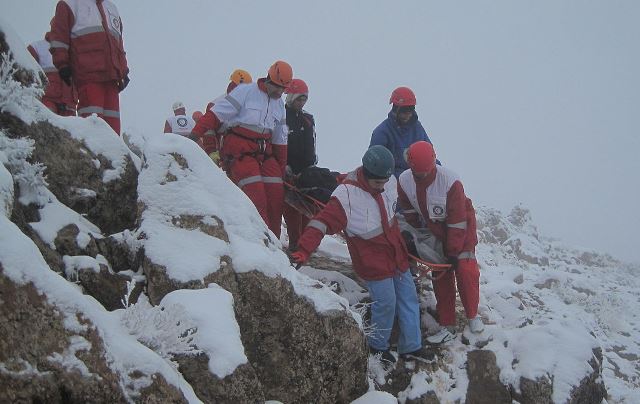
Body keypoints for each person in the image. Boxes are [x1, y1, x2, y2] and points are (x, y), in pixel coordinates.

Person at [291, 145, 427, 363]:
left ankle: (411, 347)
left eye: (385, 181)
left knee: (408, 297)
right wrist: (303, 250)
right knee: (386, 303)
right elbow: (321, 222)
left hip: (396, 254)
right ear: (366, 173)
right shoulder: (346, 196)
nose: (382, 187)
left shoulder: (389, 180)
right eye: (377, 183)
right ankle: (377, 347)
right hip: (372, 260)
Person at [189, 61, 292, 238]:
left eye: (283, 88)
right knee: (257, 198)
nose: (279, 92)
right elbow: (215, 115)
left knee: (276, 197)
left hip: (265, 152)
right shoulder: (245, 92)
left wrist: (280, 170)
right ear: (268, 79)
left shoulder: (279, 104)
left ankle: (274, 243)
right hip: (240, 150)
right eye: (277, 87)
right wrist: (193, 136)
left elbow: (280, 139)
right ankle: (261, 243)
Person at [398, 141, 483, 344]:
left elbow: (457, 219)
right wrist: (417, 232)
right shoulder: (404, 180)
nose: (422, 177)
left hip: (461, 227)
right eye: (418, 173)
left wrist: (453, 251)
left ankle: (473, 316)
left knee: (465, 269)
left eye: (426, 173)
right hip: (435, 229)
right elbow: (408, 209)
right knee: (441, 271)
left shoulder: (450, 182)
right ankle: (448, 323)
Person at [47, 0, 129, 135]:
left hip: (112, 78)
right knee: (92, 123)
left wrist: (123, 70)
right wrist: (62, 64)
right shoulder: (69, 4)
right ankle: (92, 155)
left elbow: (119, 45)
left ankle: (113, 155)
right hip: (87, 74)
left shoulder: (112, 8)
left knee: (112, 126)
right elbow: (59, 37)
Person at [282, 78, 317, 249]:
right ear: (290, 97)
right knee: (291, 210)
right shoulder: (280, 116)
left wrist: (311, 166)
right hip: (287, 171)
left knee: (307, 209)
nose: (301, 103)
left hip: (306, 171)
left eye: (304, 99)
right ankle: (295, 243)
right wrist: (284, 166)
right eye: (298, 99)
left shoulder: (308, 119)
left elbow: (312, 144)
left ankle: (306, 243)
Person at [370, 87, 434, 178]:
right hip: (392, 182)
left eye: (410, 110)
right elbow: (374, 164)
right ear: (395, 109)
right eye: (404, 111)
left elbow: (429, 153)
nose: (408, 115)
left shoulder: (417, 128)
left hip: (418, 174)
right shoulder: (381, 132)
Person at [27, 39, 78, 116]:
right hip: (46, 104)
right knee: (46, 124)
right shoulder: (36, 48)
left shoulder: (76, 48)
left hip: (69, 107)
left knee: (69, 127)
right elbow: (26, 78)